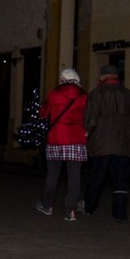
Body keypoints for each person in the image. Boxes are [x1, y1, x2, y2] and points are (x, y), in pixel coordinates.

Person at [84, 65, 130, 220]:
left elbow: (90, 118)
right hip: (122, 143)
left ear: (102, 77)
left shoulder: (97, 93)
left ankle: (89, 207)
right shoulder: (128, 94)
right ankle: (119, 212)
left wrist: (92, 129)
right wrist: (126, 127)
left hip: (101, 143)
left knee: (97, 177)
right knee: (120, 180)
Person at [36, 69, 87, 220]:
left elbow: (43, 113)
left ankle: (47, 205)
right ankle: (70, 210)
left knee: (53, 174)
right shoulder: (84, 95)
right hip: (76, 139)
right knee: (74, 176)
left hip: (56, 139)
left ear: (63, 79)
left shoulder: (54, 94)